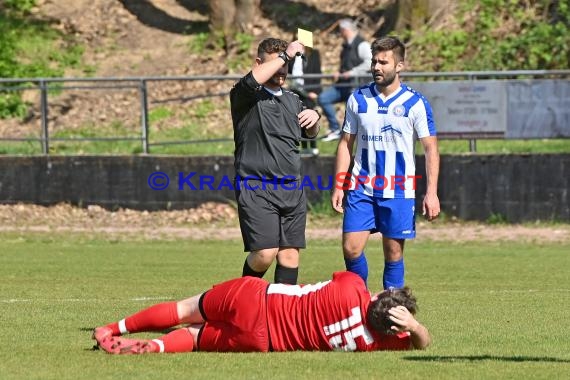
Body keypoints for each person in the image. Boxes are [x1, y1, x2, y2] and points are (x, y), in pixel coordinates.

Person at [92, 271, 430, 354]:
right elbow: (423, 343)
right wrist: (413, 327)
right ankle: (155, 347)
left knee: (185, 309)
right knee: (195, 338)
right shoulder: (378, 344)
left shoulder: (351, 285)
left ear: (381, 295)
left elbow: (353, 280)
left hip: (258, 299)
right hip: (262, 340)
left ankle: (112, 328)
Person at [331, 36, 440, 290]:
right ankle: (359, 304)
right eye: (374, 61)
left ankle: (391, 314)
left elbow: (430, 148)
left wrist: (431, 192)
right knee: (351, 248)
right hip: (361, 186)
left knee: (393, 254)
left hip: (398, 188)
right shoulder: (357, 99)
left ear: (399, 66)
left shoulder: (415, 103)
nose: (377, 67)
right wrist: (339, 185)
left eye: (383, 62)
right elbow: (346, 144)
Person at [230, 38, 321, 285]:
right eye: (278, 63)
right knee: (264, 253)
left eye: (286, 65)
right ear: (259, 63)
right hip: (256, 186)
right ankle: (242, 299)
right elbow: (252, 80)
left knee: (290, 256)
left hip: (292, 187)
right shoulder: (245, 96)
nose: (283, 69)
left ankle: (282, 314)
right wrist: (287, 54)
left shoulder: (293, 99)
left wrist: (314, 118)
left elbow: (311, 133)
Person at [319, 19, 372, 142]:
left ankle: (355, 132)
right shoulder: (345, 46)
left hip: (357, 85)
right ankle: (335, 129)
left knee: (352, 107)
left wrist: (352, 73)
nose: (339, 33)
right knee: (323, 98)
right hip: (342, 84)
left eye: (340, 30)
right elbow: (345, 65)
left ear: (345, 30)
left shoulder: (362, 44)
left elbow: (369, 63)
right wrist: (340, 72)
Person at [287, 41, 323, 156]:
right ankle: (303, 146)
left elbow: (317, 71)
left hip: (308, 90)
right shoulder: (293, 55)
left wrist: (315, 90)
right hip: (295, 89)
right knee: (298, 119)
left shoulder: (313, 54)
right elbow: (288, 69)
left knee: (310, 118)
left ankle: (313, 146)